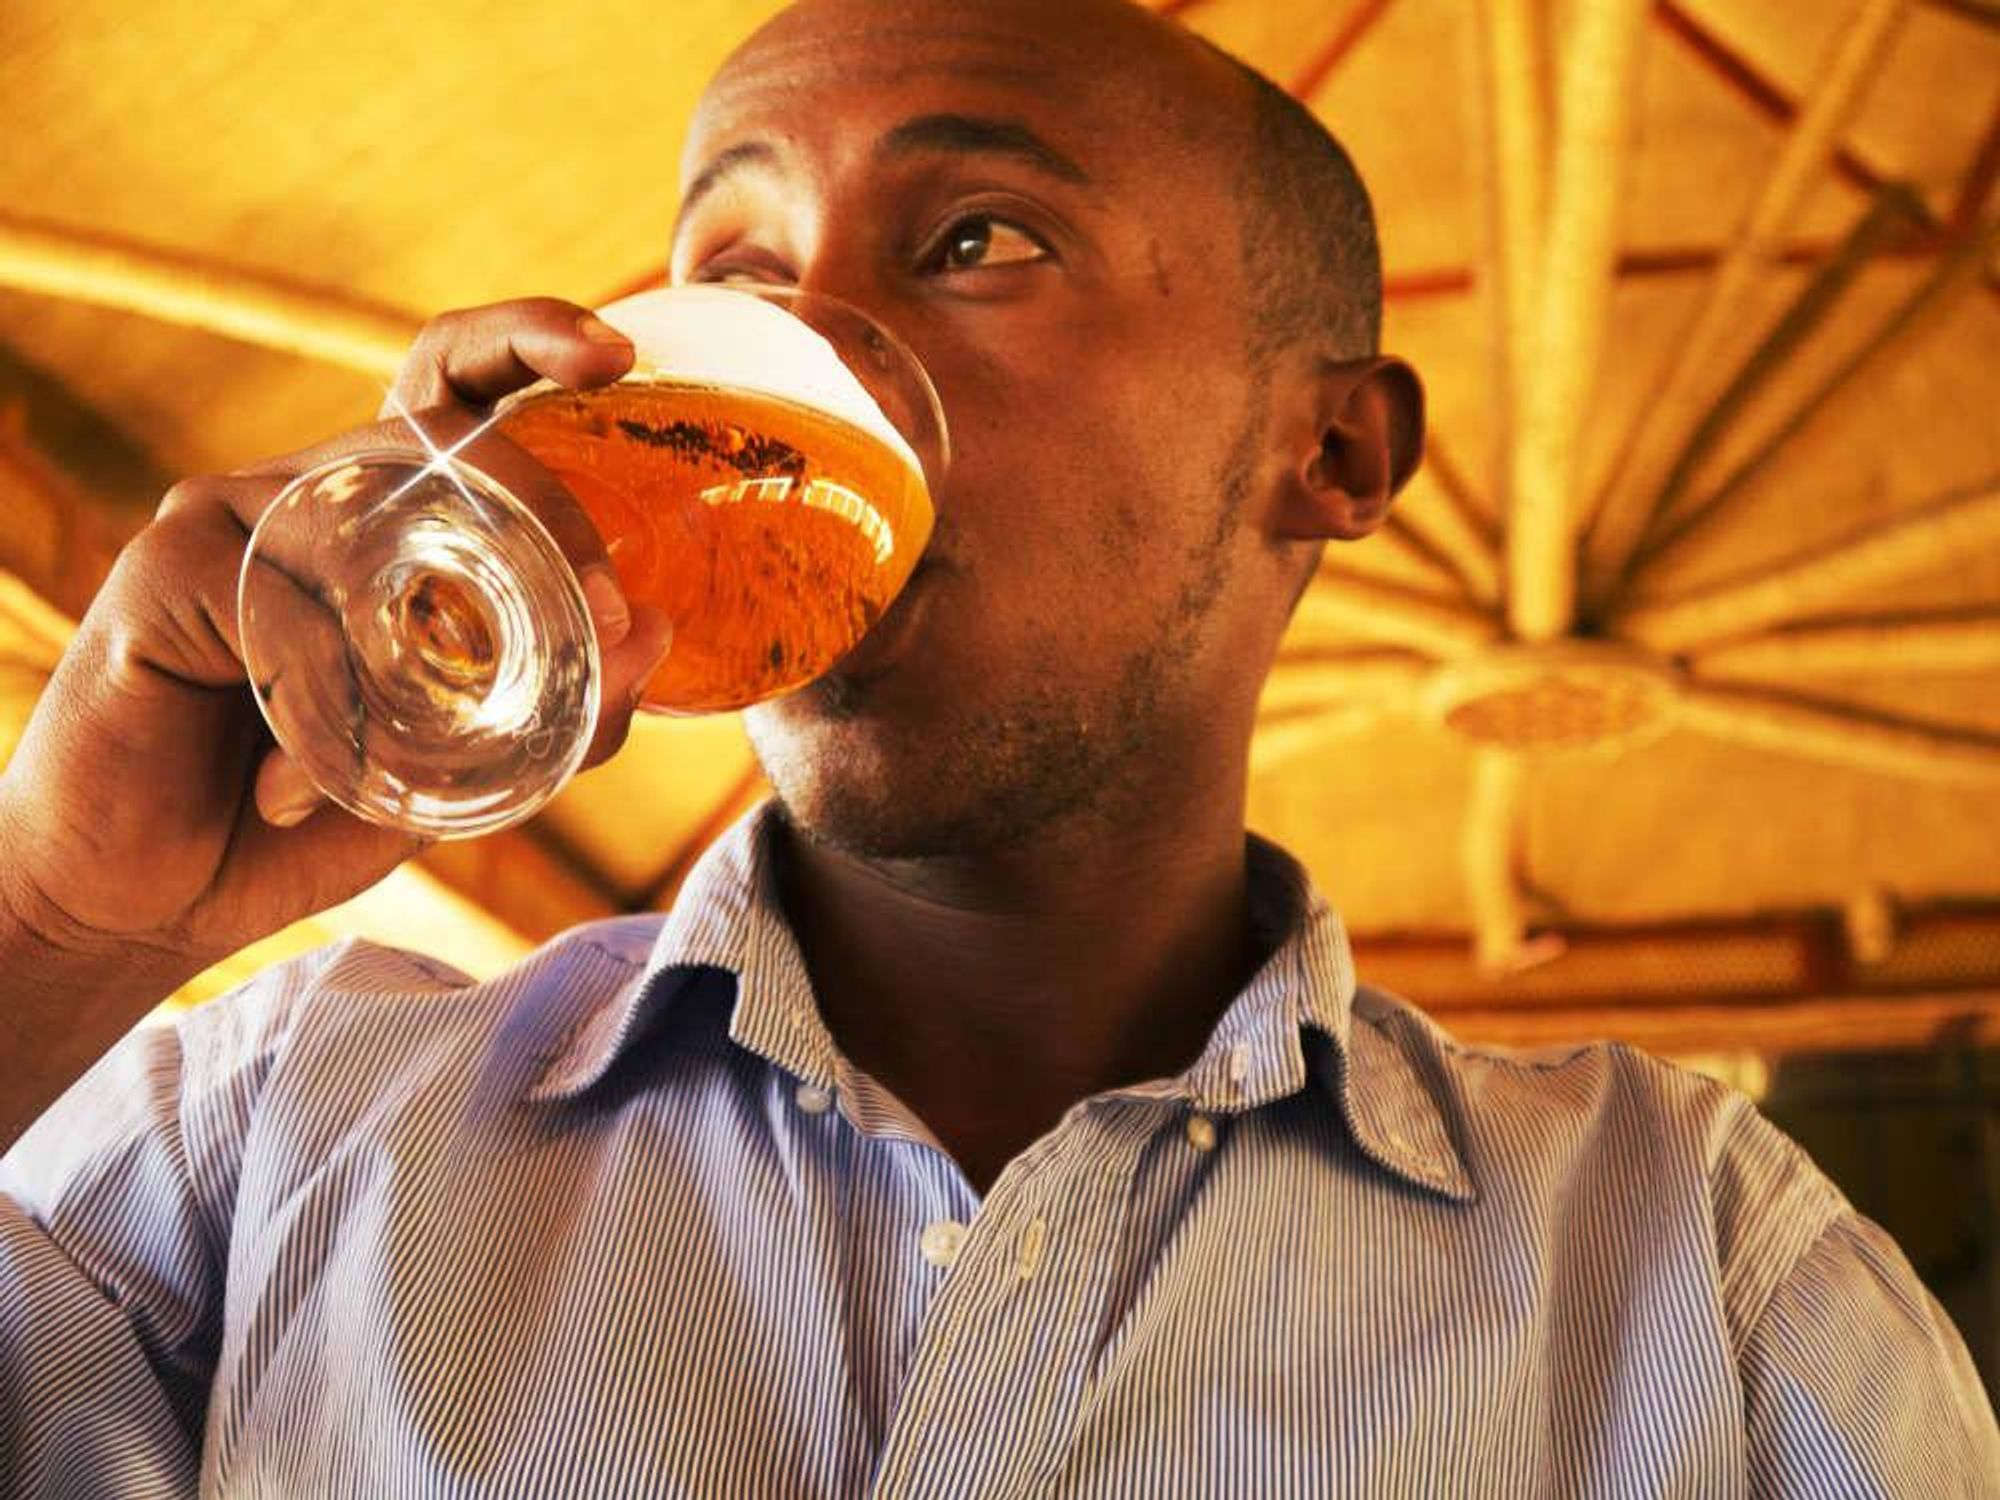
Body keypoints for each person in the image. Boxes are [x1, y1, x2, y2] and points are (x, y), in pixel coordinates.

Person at [2, 0, 1994, 1493]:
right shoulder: (267, 1134)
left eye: (977, 245)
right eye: (737, 277)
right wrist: (59, 914)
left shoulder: (1691, 1277)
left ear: (1334, 446)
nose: (808, 361)